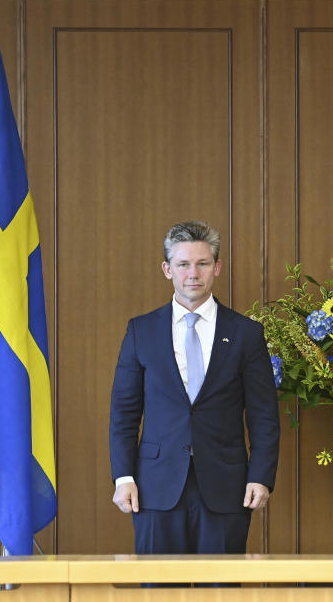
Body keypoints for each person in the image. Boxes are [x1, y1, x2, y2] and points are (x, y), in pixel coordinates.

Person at [109, 220, 280, 555]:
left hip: (227, 488)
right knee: (157, 591)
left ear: (217, 267)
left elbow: (264, 416)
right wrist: (123, 477)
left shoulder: (247, 334)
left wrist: (261, 476)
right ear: (167, 269)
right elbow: (124, 414)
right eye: (183, 264)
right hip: (154, 489)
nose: (193, 273)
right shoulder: (141, 331)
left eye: (202, 263)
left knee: (219, 590)